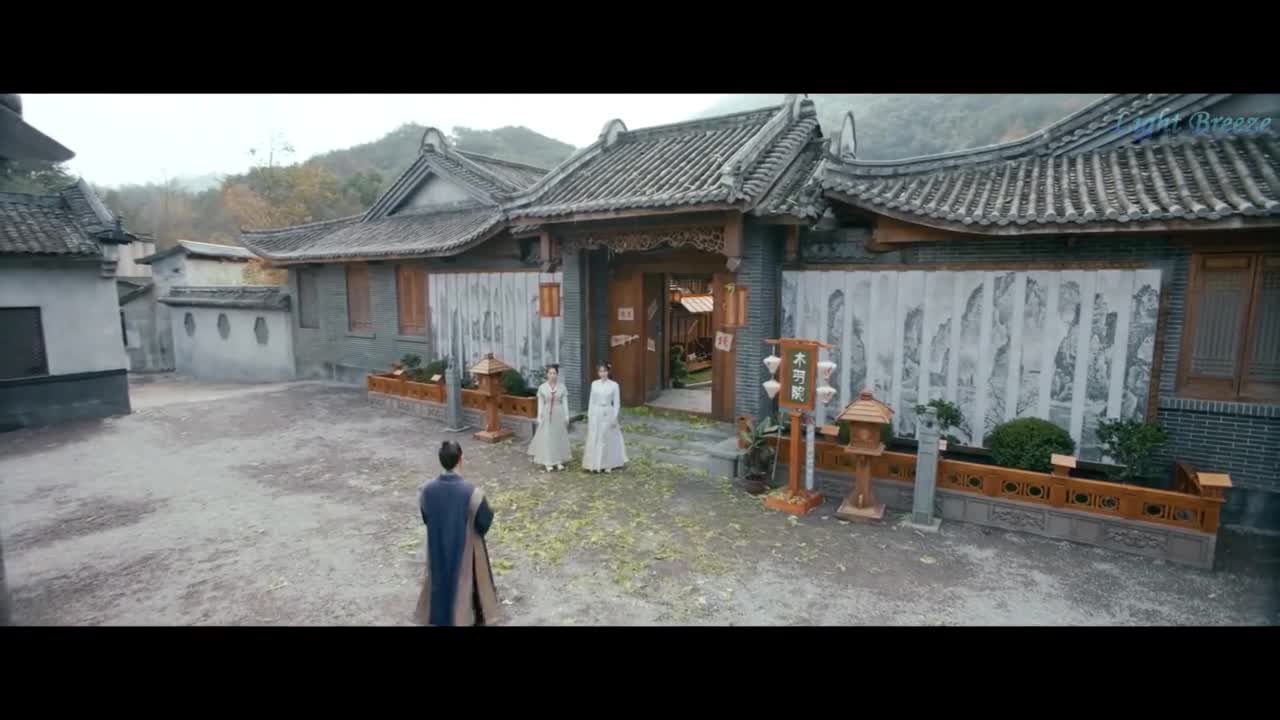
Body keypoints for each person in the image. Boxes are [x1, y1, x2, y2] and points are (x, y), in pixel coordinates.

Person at [414, 441, 502, 626]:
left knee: (438, 576)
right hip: (464, 549)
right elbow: (484, 522)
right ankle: (466, 616)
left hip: (437, 544)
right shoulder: (472, 492)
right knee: (465, 578)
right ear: (460, 459)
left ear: (440, 460)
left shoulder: (426, 490)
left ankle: (437, 616)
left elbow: (426, 517)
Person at [582, 362, 628, 473]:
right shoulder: (594, 384)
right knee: (595, 436)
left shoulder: (614, 385)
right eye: (600, 371)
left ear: (608, 372)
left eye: (605, 371)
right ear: (598, 373)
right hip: (596, 412)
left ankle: (608, 463)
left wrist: (614, 417)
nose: (602, 373)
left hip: (608, 412)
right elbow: (591, 401)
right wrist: (590, 415)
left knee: (606, 437)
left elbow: (616, 403)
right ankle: (594, 463)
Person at [527, 365, 571, 472]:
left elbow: (565, 403)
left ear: (557, 374)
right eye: (550, 373)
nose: (552, 375)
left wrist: (566, 415)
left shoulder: (562, 387)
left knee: (558, 436)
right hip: (547, 413)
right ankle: (548, 461)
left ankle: (558, 461)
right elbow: (541, 403)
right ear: (547, 374)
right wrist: (539, 416)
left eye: (554, 373)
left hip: (558, 412)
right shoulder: (542, 387)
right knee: (547, 437)